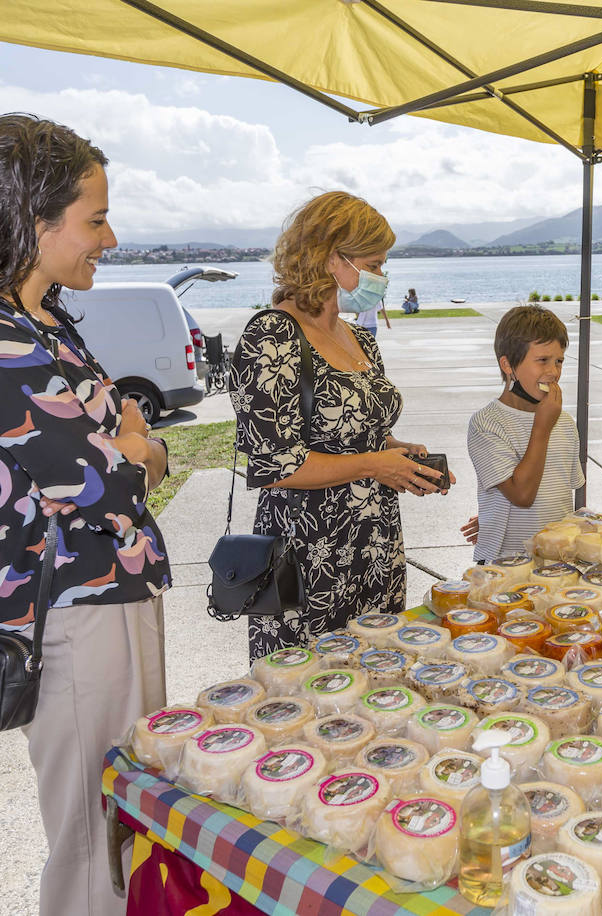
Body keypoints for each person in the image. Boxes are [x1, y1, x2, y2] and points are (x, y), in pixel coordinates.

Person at [0, 114, 171, 916]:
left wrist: (129, 445)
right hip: (67, 614)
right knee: (95, 847)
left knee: (127, 819)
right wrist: (140, 449)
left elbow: (109, 453)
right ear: (30, 218)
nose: (110, 237)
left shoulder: (36, 321)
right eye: (94, 219)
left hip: (107, 595)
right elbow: (109, 484)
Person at [231, 191, 450, 661]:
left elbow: (356, 432)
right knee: (309, 696)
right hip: (308, 558)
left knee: (378, 684)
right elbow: (276, 466)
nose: (382, 276)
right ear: (332, 259)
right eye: (373, 263)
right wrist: (375, 465)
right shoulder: (270, 336)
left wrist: (400, 455)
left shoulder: (357, 338)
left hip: (374, 547)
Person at [463, 305, 584, 561]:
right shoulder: (487, 423)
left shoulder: (563, 421)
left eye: (559, 361)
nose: (553, 372)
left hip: (557, 559)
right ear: (508, 364)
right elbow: (522, 495)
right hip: (505, 562)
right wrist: (542, 426)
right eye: (542, 360)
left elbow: (564, 500)